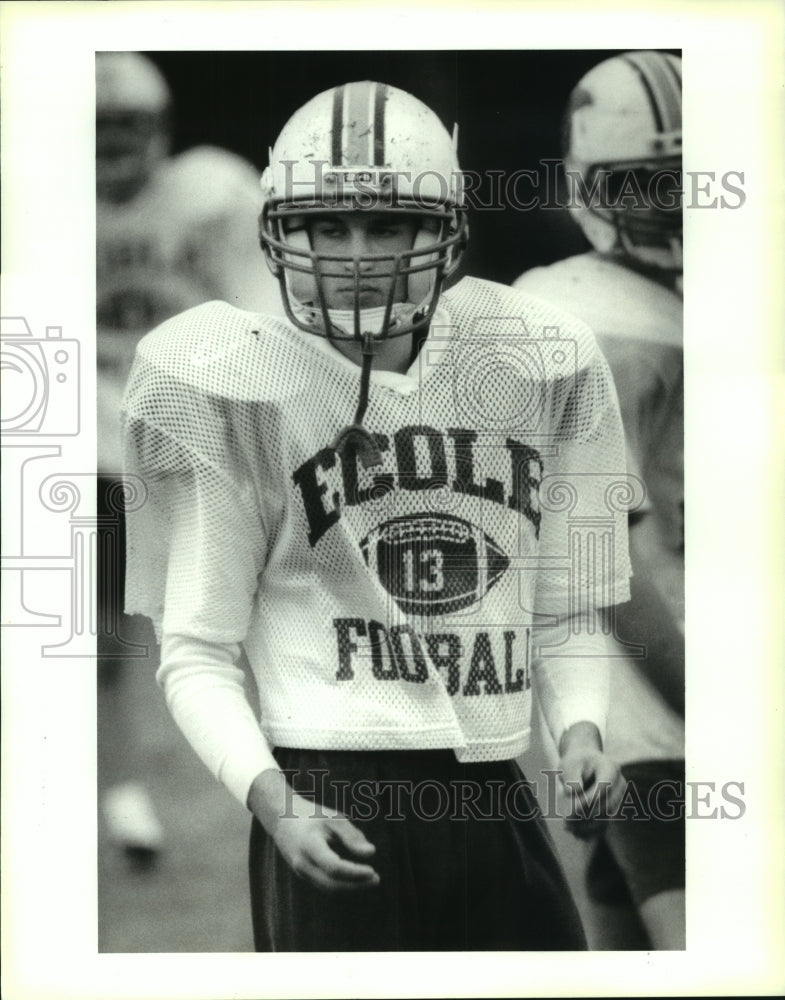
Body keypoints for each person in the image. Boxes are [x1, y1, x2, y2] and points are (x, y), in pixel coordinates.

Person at [122, 79, 632, 951]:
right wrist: (275, 804)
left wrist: (578, 729)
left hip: (493, 786)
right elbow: (197, 650)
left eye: (387, 224)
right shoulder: (233, 379)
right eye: (328, 225)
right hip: (325, 787)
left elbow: (563, 605)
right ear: (279, 233)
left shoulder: (536, 356)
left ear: (446, 232)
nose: (357, 255)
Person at [513, 50, 686, 949]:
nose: (680, 205)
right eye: (653, 185)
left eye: (694, 180)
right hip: (646, 700)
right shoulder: (589, 315)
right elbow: (602, 565)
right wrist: (705, 695)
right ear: (595, 186)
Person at [96, 51, 279, 864]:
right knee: (93, 633)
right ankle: (122, 795)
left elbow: (262, 315)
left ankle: (297, 760)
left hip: (203, 420)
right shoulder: (34, 201)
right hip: (89, 430)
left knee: (265, 607)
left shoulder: (213, 193)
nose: (107, 146)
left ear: (159, 130)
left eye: (123, 127)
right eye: (93, 129)